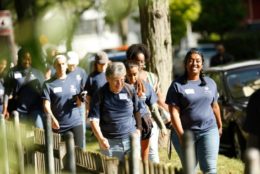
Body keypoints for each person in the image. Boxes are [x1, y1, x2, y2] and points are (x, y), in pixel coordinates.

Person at [165, 49, 222, 173]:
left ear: (202, 64)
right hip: (186, 133)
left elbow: (215, 106)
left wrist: (220, 125)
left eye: (198, 61)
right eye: (191, 60)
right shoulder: (177, 85)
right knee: (190, 170)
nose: (194, 63)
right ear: (185, 63)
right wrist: (181, 135)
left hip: (208, 130)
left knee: (210, 168)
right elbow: (173, 112)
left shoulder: (210, 83)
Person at [88, 62, 143, 161]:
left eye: (122, 79)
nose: (120, 84)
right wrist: (101, 139)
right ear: (108, 78)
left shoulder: (129, 89)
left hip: (131, 139)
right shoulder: (100, 94)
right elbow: (93, 120)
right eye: (116, 81)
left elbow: (137, 110)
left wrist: (138, 129)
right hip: (110, 143)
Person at [126, 43, 171, 163]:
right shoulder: (124, 78)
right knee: (134, 155)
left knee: (152, 153)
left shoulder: (152, 77)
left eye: (142, 61)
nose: (140, 64)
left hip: (149, 121)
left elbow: (159, 100)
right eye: (136, 61)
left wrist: (169, 115)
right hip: (130, 122)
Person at [42, 54, 84, 148]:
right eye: (58, 64)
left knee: (79, 154)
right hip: (59, 125)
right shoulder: (48, 84)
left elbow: (78, 102)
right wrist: (52, 119)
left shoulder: (74, 80)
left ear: (66, 65)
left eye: (63, 64)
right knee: (62, 156)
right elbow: (46, 105)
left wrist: (79, 101)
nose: (61, 66)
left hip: (75, 122)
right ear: (54, 66)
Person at [3, 48, 45, 128]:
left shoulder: (38, 73)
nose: (27, 61)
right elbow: (7, 92)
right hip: (19, 110)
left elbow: (44, 92)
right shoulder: (12, 72)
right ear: (19, 58)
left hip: (36, 109)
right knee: (23, 137)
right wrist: (5, 109)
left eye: (29, 59)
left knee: (39, 132)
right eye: (24, 58)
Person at [66, 51, 88, 149]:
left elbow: (85, 88)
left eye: (74, 64)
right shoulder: (63, 73)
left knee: (81, 131)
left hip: (79, 105)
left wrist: (83, 96)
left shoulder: (81, 72)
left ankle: (81, 151)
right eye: (70, 65)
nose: (72, 67)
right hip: (67, 105)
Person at [84, 51, 109, 117]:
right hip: (97, 111)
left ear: (107, 62)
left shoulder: (112, 74)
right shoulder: (92, 77)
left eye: (104, 64)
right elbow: (88, 96)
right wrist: (87, 109)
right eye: (100, 64)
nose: (102, 66)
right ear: (96, 64)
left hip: (110, 109)